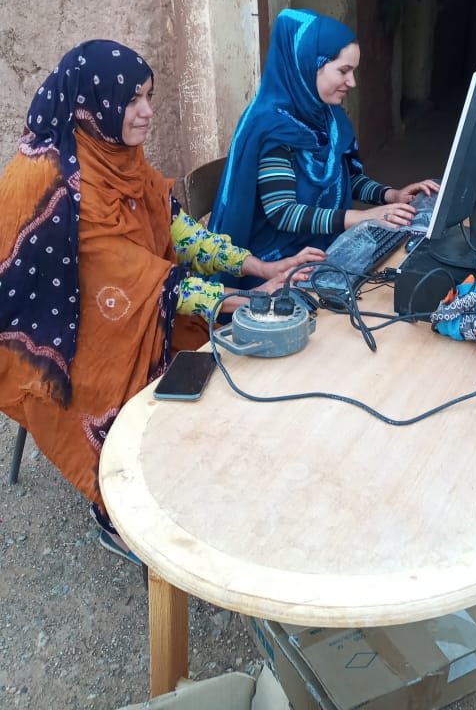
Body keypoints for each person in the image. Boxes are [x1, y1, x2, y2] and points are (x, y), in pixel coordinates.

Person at [0, 40, 325, 564]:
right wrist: (238, 301)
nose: (147, 110)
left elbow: (179, 232)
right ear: (90, 105)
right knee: (130, 389)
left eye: (148, 96)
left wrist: (258, 267)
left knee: (210, 366)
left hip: (115, 300)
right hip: (53, 333)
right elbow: (144, 282)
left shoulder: (118, 157)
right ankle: (114, 514)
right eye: (132, 100)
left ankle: (182, 469)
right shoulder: (63, 183)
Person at [210, 8, 439, 270]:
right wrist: (361, 217)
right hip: (276, 262)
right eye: (344, 71)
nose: (352, 82)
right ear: (309, 64)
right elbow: (282, 211)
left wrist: (391, 196)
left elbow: (346, 179)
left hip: (322, 247)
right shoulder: (271, 127)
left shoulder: (326, 116)